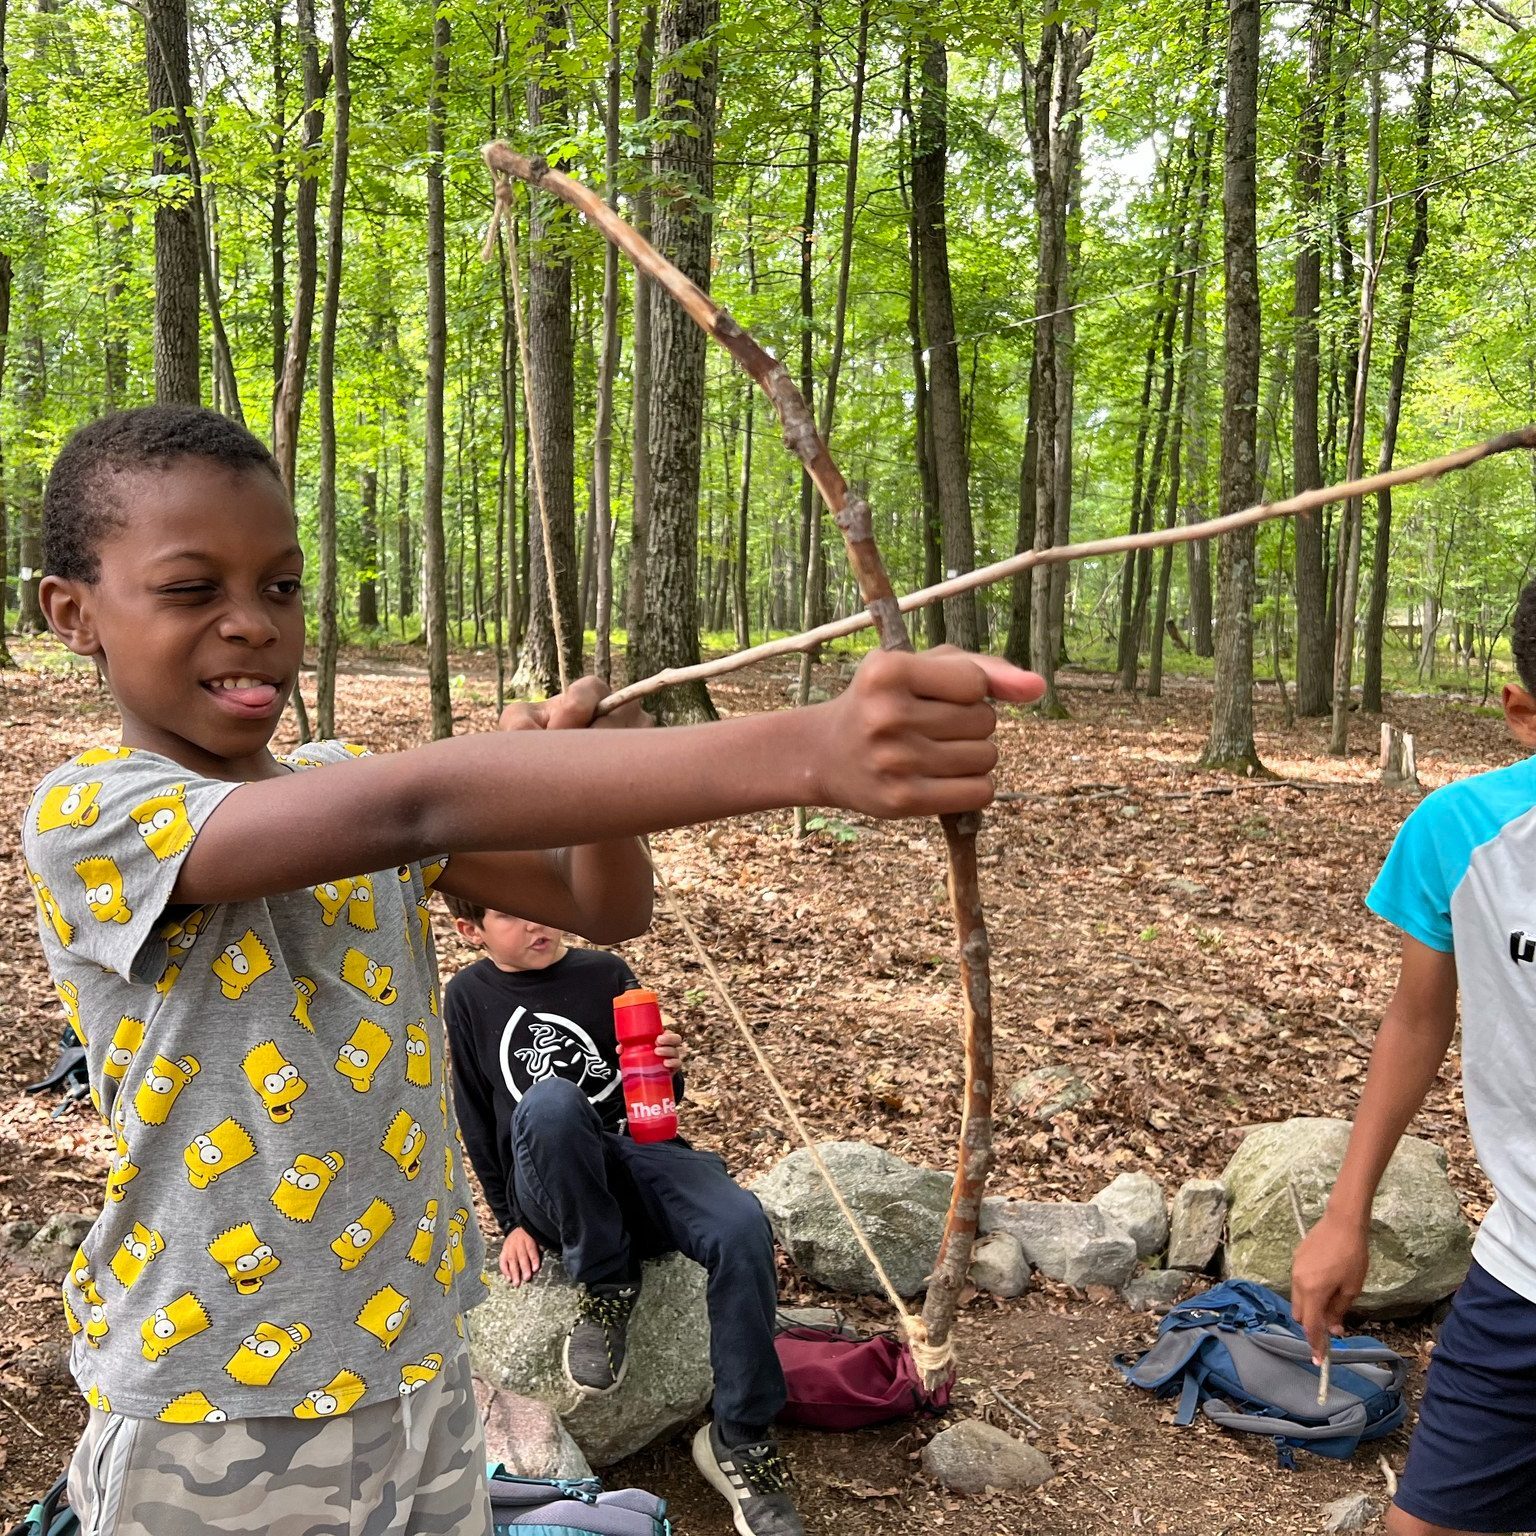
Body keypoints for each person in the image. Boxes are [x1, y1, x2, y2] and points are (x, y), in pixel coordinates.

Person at [25, 403, 1042, 1536]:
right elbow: (420, 802)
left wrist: (583, 776)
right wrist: (807, 751)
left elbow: (609, 903)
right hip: (213, 1404)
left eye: (280, 586)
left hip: (412, 1366)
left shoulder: (338, 778)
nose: (251, 624)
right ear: (72, 613)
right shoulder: (97, 815)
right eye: (190, 588)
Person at [1292, 579, 1536, 1536]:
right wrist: (1344, 1215)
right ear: (1524, 715)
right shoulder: (1464, 836)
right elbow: (1415, 1021)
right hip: (1523, 1273)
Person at [443, 905, 797, 1536]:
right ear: (471, 931)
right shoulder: (469, 994)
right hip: (555, 1184)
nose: (534, 923)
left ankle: (740, 1438)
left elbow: (648, 1092)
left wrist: (671, 1067)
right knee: (552, 1100)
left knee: (742, 1226)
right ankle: (607, 1286)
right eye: (509, 915)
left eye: (538, 907)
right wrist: (510, 1220)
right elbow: (475, 1113)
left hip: (641, 1157)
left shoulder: (604, 972)